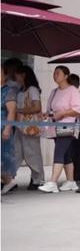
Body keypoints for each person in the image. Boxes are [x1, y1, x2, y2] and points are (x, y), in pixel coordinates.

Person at [38, 66, 80, 193]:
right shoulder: (54, 91)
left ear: (66, 76)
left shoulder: (72, 90)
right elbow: (51, 109)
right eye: (54, 73)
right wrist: (47, 114)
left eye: (58, 73)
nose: (55, 75)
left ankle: (53, 182)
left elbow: (79, 109)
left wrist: (62, 114)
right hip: (55, 127)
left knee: (59, 152)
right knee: (66, 154)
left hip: (67, 126)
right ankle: (71, 181)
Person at [13, 65, 44, 190]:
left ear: (23, 75)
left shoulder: (32, 90)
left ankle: (38, 178)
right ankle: (8, 178)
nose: (15, 77)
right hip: (21, 125)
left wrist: (20, 110)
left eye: (17, 74)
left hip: (29, 126)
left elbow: (37, 107)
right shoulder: (21, 89)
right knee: (16, 152)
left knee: (32, 153)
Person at [1, 63, 19, 195]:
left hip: (2, 128)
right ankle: (8, 182)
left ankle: (8, 182)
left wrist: (7, 128)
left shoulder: (9, 91)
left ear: (5, 75)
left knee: (4, 157)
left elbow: (11, 111)